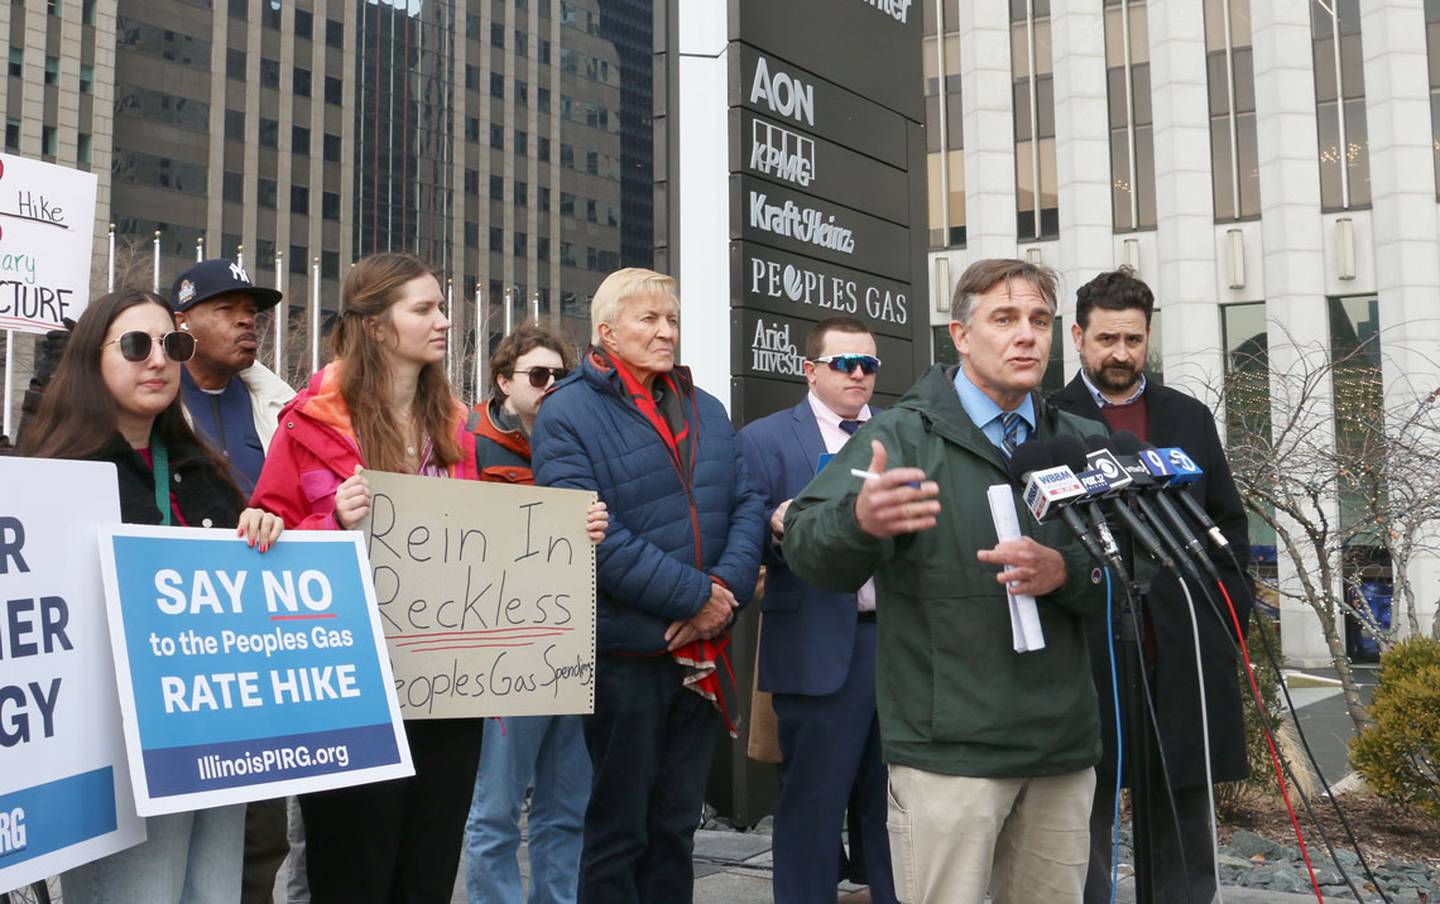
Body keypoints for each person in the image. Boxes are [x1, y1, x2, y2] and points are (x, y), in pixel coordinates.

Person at [782, 259, 1109, 904]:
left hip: (1060, 748)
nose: (1027, 336)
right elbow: (807, 546)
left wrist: (1066, 570)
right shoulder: (901, 435)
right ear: (959, 335)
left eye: (1039, 320)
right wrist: (859, 522)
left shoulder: (1081, 439)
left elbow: (1132, 574)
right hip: (949, 753)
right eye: (1004, 319)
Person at [20, 288, 283, 904]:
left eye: (174, 345)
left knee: (213, 894)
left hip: (215, 737)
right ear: (92, 358)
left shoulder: (202, 467)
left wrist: (263, 532)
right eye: (137, 346)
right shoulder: (55, 477)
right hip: (114, 757)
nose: (160, 360)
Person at [249, 252, 485, 903]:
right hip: (346, 689)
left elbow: (484, 543)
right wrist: (331, 520)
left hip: (443, 688)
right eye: (425, 308)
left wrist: (565, 535)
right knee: (352, 875)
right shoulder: (306, 424)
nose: (443, 321)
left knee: (428, 875)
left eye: (442, 307)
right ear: (376, 326)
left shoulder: (458, 428)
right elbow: (266, 545)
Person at [530, 268, 766, 904]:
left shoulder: (707, 407)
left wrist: (721, 595)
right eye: (650, 319)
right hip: (627, 656)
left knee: (675, 829)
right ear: (607, 333)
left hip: (702, 650)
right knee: (618, 831)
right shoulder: (566, 411)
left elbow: (747, 503)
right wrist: (696, 598)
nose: (667, 332)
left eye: (673, 320)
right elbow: (588, 534)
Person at [1048, 267, 1252, 904]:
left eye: (1133, 339)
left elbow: (1227, 523)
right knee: (1083, 808)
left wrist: (1226, 612)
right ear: (1078, 337)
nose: (1121, 353)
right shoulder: (1050, 420)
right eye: (1107, 338)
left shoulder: (1186, 416)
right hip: (1089, 649)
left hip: (1180, 645)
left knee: (1183, 807)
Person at [737, 315, 897, 904]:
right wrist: (776, 526)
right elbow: (743, 536)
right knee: (811, 806)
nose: (859, 375)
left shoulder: (902, 434)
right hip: (815, 642)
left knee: (897, 811)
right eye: (844, 363)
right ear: (810, 370)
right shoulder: (765, 439)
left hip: (899, 643)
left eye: (868, 364)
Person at [463, 321, 607, 904]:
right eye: (539, 375)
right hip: (501, 649)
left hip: (571, 644)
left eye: (561, 376)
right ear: (504, 381)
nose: (551, 386)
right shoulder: (467, 440)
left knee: (566, 805)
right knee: (496, 809)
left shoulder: (579, 438)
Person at [169, 257, 298, 904]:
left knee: (260, 834)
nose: (248, 322)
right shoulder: (151, 397)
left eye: (252, 312)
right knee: (175, 833)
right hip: (179, 643)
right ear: (181, 322)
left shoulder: (283, 407)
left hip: (261, 644)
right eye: (227, 309)